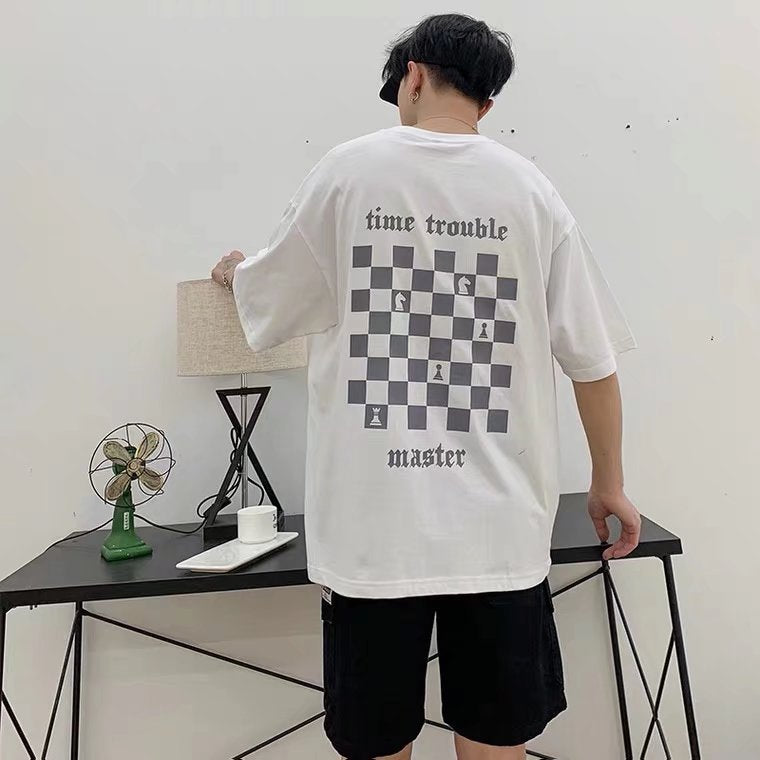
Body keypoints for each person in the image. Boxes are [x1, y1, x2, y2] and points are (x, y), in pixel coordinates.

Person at [211, 13, 640, 760]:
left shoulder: (347, 173)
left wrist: (234, 272)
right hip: (499, 531)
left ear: (412, 75)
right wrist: (609, 483)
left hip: (375, 532)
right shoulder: (532, 192)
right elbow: (593, 361)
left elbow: (270, 304)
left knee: (377, 740)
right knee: (496, 738)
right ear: (487, 103)